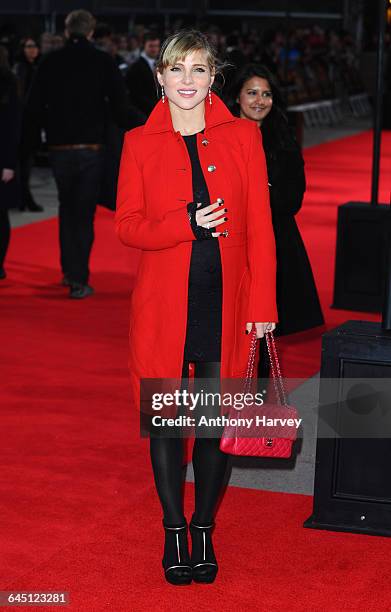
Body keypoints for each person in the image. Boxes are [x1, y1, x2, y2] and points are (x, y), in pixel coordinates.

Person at [115, 30, 278, 585]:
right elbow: (127, 227)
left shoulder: (243, 138)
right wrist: (182, 224)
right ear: (159, 77)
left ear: (215, 79)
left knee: (212, 424)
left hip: (224, 302)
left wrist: (263, 303)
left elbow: (261, 226)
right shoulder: (137, 142)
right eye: (177, 70)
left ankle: (204, 526)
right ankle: (172, 527)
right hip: (163, 305)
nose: (188, 81)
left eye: (199, 70)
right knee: (167, 424)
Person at [25, 9, 133, 299]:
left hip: (59, 149)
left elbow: (34, 108)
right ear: (91, 31)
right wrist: (149, 122)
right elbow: (121, 110)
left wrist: (28, 148)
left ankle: (68, 271)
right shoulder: (103, 61)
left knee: (66, 209)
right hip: (91, 150)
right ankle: (78, 278)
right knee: (83, 215)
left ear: (65, 30)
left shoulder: (49, 62)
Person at [229, 64, 324, 382]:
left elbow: (292, 199)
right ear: (237, 97)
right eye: (252, 93)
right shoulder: (218, 137)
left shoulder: (281, 139)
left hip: (272, 240)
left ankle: (257, 402)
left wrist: (258, 194)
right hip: (225, 241)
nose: (259, 100)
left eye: (266, 94)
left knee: (264, 329)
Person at [13, 37, 43, 212]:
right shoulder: (22, 68)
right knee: (23, 163)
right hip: (24, 122)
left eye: (34, 46)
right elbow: (20, 96)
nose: (33, 50)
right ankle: (24, 197)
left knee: (25, 163)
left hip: (31, 122)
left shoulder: (33, 67)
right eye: (28, 47)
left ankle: (23, 197)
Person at [0, 46, 21, 279]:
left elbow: (13, 126)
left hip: (2, 156)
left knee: (0, 213)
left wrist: (8, 163)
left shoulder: (8, 83)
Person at [125, 32, 160, 119]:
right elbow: (136, 95)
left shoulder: (161, 64)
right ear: (144, 46)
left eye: (156, 46)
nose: (154, 49)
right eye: (151, 46)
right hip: (144, 115)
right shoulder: (136, 67)